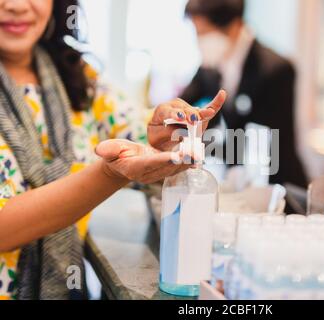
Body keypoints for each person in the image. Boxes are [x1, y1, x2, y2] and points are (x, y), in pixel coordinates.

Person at [0, 0, 226, 300]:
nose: (16, 5)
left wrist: (168, 129)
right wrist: (109, 174)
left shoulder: (74, 73)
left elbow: (139, 128)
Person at [182, 0, 308, 188]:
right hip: (238, 179)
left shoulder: (276, 70)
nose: (199, 41)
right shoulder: (210, 66)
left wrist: (205, 149)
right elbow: (181, 106)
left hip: (276, 185)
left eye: (204, 33)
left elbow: (268, 143)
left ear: (234, 26)